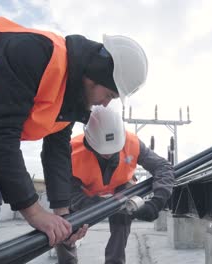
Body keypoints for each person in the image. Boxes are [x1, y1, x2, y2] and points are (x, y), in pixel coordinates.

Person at [0, 17, 148, 263]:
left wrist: (64, 216)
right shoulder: (36, 53)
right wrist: (34, 212)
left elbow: (56, 153)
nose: (105, 103)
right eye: (109, 94)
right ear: (95, 76)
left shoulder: (70, 100)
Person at [55, 106, 175, 264]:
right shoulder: (72, 151)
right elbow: (68, 194)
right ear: (89, 141)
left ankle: (115, 261)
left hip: (121, 187)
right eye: (103, 152)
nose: (109, 154)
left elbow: (163, 167)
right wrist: (100, 206)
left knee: (122, 216)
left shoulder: (132, 143)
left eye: (113, 150)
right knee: (62, 225)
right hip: (84, 192)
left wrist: (157, 202)